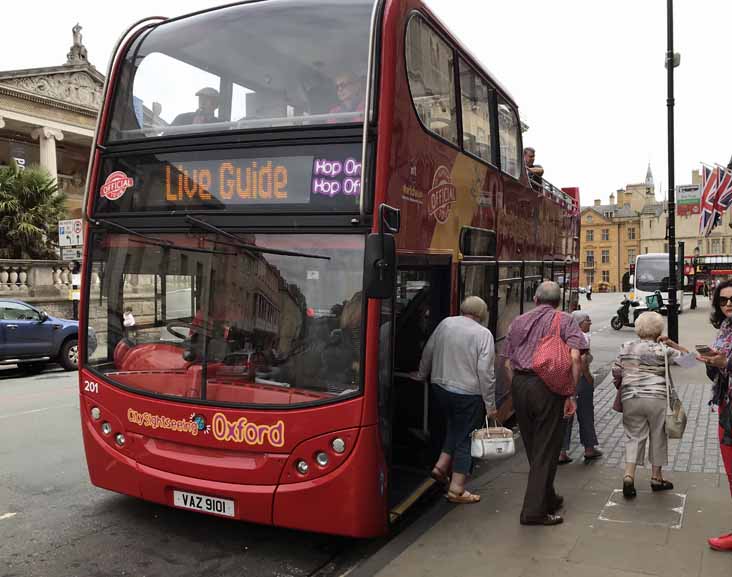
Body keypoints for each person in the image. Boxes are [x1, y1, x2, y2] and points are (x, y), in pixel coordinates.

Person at [502, 281, 585, 526]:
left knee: (533, 446)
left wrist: (516, 387)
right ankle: (533, 512)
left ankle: (548, 497)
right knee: (547, 449)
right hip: (548, 387)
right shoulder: (565, 320)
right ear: (558, 302)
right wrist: (570, 393)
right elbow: (576, 357)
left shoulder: (518, 321)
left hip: (520, 384)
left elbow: (506, 361)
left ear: (536, 300)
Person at [415, 296, 496, 504]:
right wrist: (490, 406)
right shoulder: (483, 334)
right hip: (468, 394)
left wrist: (422, 375)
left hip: (440, 387)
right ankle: (457, 489)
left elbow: (429, 351)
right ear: (482, 313)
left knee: (455, 427)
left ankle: (441, 466)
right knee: (466, 439)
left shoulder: (445, 323)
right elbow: (485, 372)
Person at [612, 311, 694, 499]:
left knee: (633, 436)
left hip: (630, 396)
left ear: (638, 328)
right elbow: (690, 361)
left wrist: (626, 383)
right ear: (658, 330)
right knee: (658, 434)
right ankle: (656, 478)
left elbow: (616, 371)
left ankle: (628, 476)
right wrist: (673, 344)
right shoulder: (663, 350)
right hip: (656, 398)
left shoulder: (626, 347)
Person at [697, 280, 732, 551]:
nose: (728, 304)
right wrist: (713, 363)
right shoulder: (725, 327)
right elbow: (718, 369)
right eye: (723, 301)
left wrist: (725, 363)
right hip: (725, 402)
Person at [559, 311, 602, 464]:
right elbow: (581, 360)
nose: (590, 323)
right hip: (580, 380)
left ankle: (561, 451)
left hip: (565, 379)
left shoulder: (564, 336)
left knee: (566, 414)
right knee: (585, 414)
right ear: (579, 323)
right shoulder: (581, 337)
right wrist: (589, 377)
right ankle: (589, 449)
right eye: (587, 320)